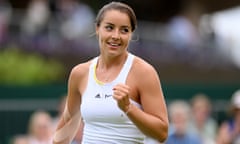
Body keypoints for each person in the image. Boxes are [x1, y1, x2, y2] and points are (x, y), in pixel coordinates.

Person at [53, 1, 169, 144]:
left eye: (124, 30)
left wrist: (128, 108)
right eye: (109, 27)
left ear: (131, 34)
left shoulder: (144, 72)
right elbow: (68, 125)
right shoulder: (80, 73)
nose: (116, 36)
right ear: (97, 29)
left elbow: (162, 133)